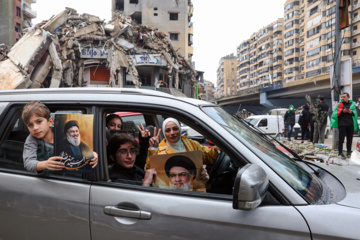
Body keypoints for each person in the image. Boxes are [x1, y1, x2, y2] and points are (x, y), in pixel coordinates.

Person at [22, 101, 98, 173]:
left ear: (50, 122)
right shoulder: (32, 139)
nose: (35, 128)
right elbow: (28, 163)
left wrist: (92, 155)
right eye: (30, 125)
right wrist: (45, 164)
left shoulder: (70, 140)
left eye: (39, 122)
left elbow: (82, 155)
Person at [145, 118, 219, 170]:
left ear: (180, 129)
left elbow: (208, 156)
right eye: (168, 130)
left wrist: (217, 149)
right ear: (164, 133)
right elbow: (149, 170)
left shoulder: (191, 144)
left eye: (175, 129)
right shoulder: (159, 151)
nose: (172, 133)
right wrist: (153, 148)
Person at [330, 93, 359, 159]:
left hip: (350, 124)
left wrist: (351, 112)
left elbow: (355, 113)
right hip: (342, 124)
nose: (342, 98)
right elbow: (336, 114)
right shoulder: (339, 104)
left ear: (348, 97)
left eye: (344, 97)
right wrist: (343, 111)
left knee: (349, 139)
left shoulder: (352, 104)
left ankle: (348, 152)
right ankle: (340, 152)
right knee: (341, 139)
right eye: (342, 97)